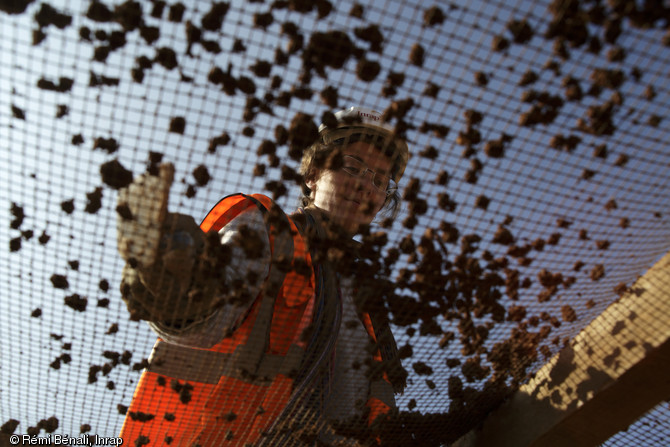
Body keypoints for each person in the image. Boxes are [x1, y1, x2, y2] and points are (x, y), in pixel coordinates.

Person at [117, 107, 410, 446]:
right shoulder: (270, 233)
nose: (364, 185)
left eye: (378, 180)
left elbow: (380, 415)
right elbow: (210, 313)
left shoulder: (369, 306)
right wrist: (178, 284)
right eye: (353, 166)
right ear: (313, 174)